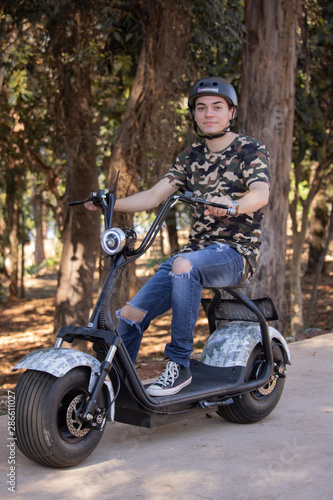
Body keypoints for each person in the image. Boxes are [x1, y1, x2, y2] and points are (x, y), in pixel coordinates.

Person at [89, 76, 270, 397]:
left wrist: (233, 206)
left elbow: (260, 194)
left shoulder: (250, 150)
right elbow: (154, 196)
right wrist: (110, 202)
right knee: (130, 315)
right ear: (194, 115)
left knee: (184, 264)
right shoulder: (191, 156)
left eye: (217, 107)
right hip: (194, 255)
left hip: (235, 254)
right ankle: (117, 384)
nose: (209, 113)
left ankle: (179, 366)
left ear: (231, 113)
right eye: (201, 108)